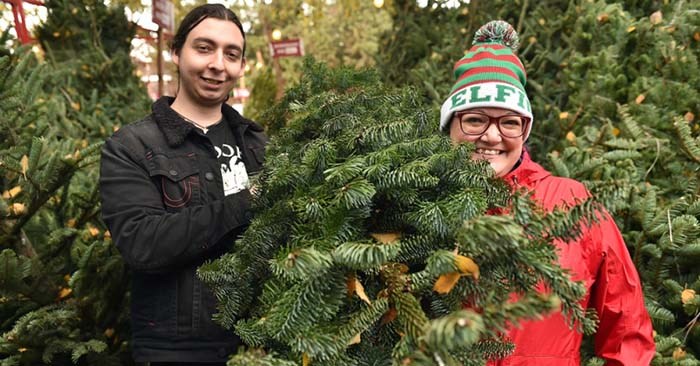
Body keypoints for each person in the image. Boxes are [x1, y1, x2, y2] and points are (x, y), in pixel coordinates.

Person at [439, 20, 655, 365]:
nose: (492, 136)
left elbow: (627, 332)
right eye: (475, 119)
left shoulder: (574, 204)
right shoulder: (412, 204)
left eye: (509, 122)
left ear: (525, 131)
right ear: (449, 125)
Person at [99, 4, 267, 365]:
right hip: (176, 351)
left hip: (261, 342)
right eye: (204, 48)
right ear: (176, 52)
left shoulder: (258, 145)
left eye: (231, 54)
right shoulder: (132, 147)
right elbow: (143, 244)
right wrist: (245, 202)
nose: (218, 64)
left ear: (240, 66)